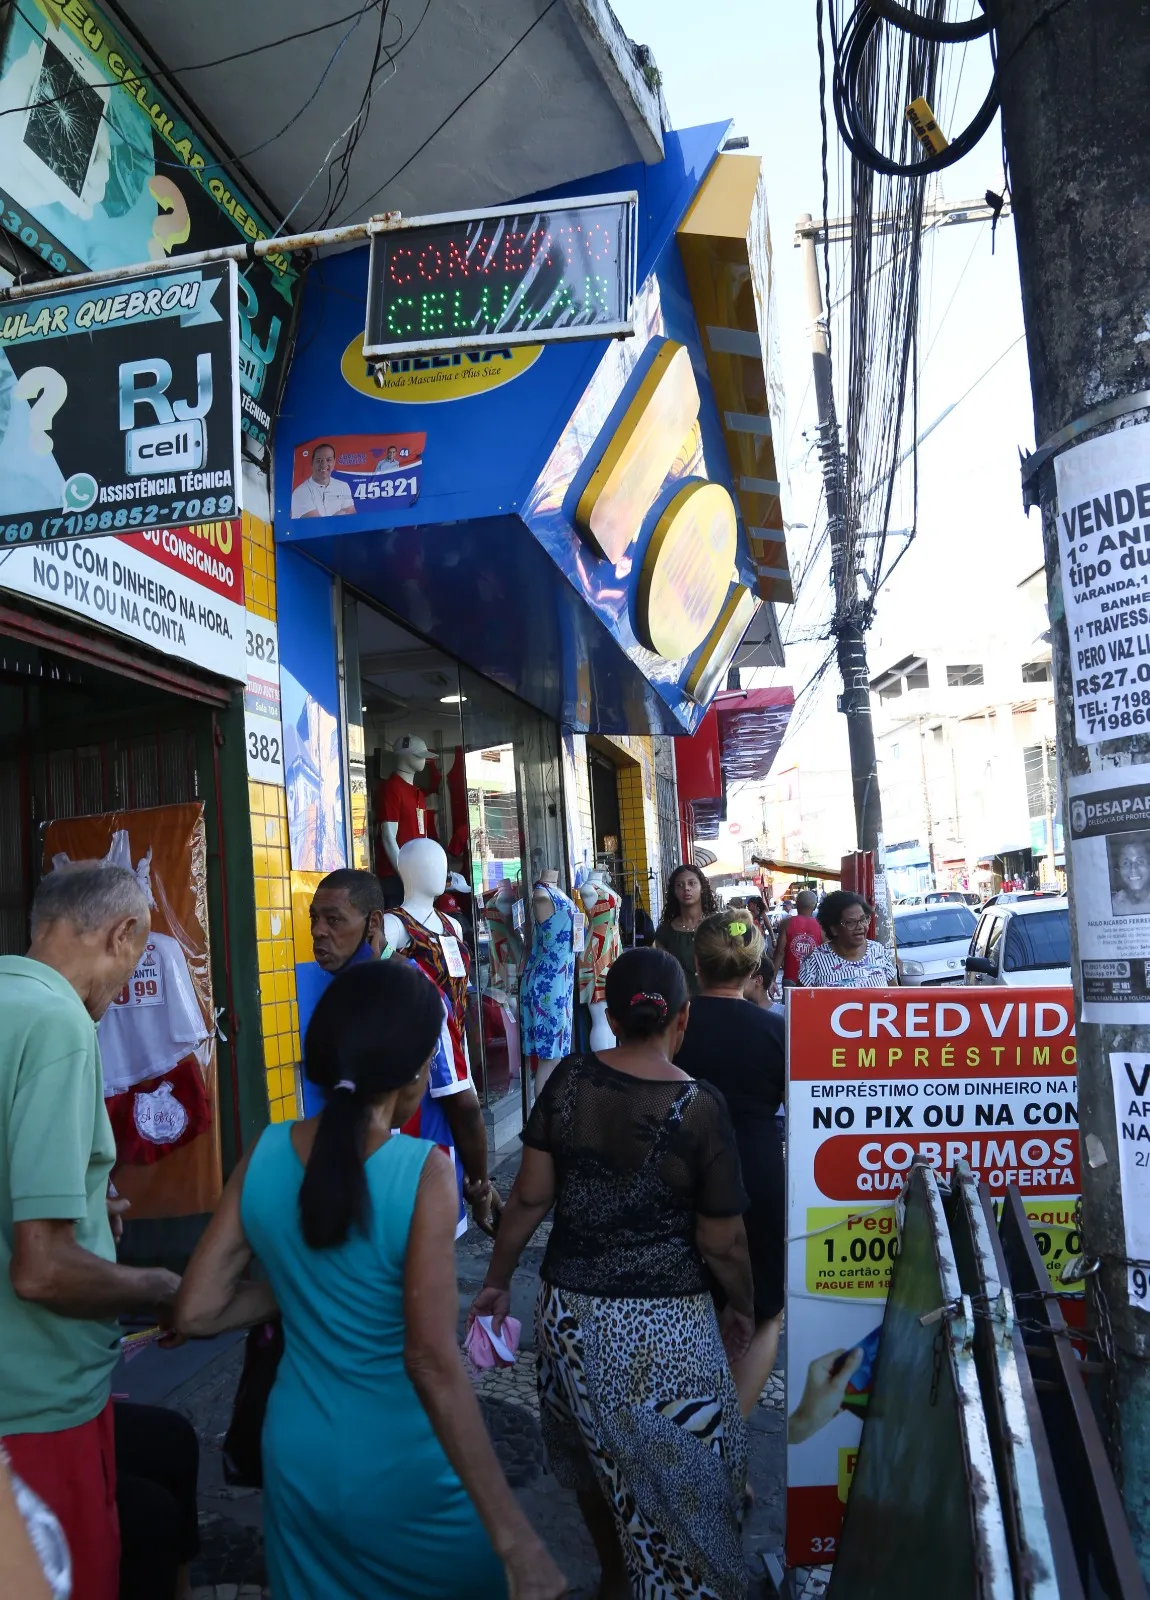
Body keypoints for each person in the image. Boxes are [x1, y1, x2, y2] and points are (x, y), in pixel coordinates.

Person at [175, 960, 564, 1600]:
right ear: (414, 1071)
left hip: (295, 1451)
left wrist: (302, 1283)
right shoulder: (424, 1172)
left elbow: (195, 1311)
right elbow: (432, 1360)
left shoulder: (263, 1152)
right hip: (400, 1460)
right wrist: (514, 1537)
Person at [471, 947, 753, 1600]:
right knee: (691, 1479)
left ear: (612, 1014)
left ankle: (616, 1578)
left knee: (590, 1462)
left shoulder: (568, 1081)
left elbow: (530, 1199)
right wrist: (742, 1302)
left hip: (569, 1316)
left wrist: (496, 1279)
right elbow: (722, 1240)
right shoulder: (700, 1105)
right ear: (682, 1020)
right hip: (665, 1326)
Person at [1, 864, 182, 1600]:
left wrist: (82, 1207)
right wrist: (161, 1287)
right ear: (123, 934)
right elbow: (40, 1270)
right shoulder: (59, 1025)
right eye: (137, 959)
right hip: (39, 1400)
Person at [309, 869, 498, 1234]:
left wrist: (479, 1184)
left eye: (333, 920)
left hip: (417, 1194)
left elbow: (462, 1101)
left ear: (373, 923)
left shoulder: (417, 993)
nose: (318, 931)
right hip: (355, 1196)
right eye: (314, 919)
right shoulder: (338, 993)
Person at [676, 914, 786, 1416]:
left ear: (696, 964)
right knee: (766, 1311)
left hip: (682, 1169)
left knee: (692, 1300)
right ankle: (731, 1436)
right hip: (757, 1169)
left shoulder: (676, 1024)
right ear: (753, 967)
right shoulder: (774, 1029)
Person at [114, 1402, 199, 1600]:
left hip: (73, 1418)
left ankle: (182, 1592)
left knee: (174, 1437)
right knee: (149, 1512)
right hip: (36, 1433)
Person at [797, 891, 897, 988]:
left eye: (863, 919)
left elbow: (896, 995)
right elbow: (799, 1001)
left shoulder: (878, 951)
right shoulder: (815, 960)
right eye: (851, 922)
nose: (860, 927)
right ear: (833, 929)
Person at [653, 863, 718, 997]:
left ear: (702, 887)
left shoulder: (718, 925)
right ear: (674, 892)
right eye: (680, 885)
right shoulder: (665, 933)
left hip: (716, 1002)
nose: (686, 889)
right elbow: (663, 974)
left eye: (692, 883)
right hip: (680, 1006)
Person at [771, 888, 823, 993]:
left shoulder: (787, 923)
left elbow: (780, 952)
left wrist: (772, 980)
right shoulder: (821, 927)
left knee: (789, 1009)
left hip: (790, 977)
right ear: (814, 906)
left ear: (797, 904)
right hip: (812, 980)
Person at [291, 442, 356, 518]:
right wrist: (341, 513)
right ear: (312, 463)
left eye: (328, 460)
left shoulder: (343, 486)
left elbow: (352, 515)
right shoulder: (301, 492)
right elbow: (318, 525)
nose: (324, 465)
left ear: (334, 462)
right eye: (319, 460)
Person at [1111, 836, 1150, 915]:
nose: (1133, 869)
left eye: (1140, 861)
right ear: (1119, 870)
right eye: (1125, 863)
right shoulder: (1113, 905)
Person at [744, 951, 785, 1016]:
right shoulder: (738, 1011)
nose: (738, 981)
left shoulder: (784, 1013)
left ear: (758, 980)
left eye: (743, 976)